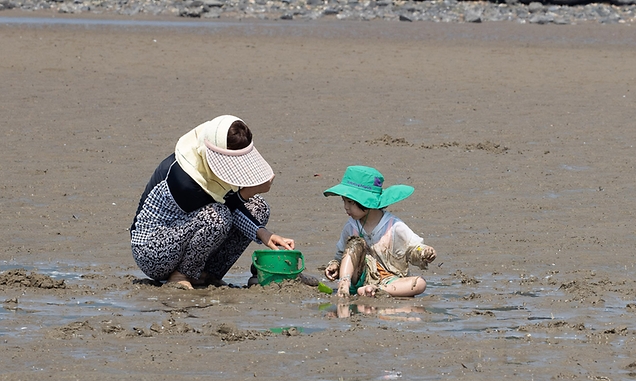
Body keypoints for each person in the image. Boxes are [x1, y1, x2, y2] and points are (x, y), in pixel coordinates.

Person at [130, 115, 294, 289]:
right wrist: (250, 191)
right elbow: (225, 209)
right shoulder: (184, 178)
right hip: (153, 251)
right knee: (217, 217)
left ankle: (207, 275)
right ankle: (182, 275)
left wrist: (263, 233)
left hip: (188, 237)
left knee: (258, 207)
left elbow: (230, 205)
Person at [322, 166, 436, 298]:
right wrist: (335, 266)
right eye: (344, 201)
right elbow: (341, 254)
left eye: (350, 202)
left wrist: (424, 252)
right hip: (359, 277)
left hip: (389, 279)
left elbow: (413, 248)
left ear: (366, 202)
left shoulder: (394, 225)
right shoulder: (351, 226)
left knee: (419, 283)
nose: (346, 207)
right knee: (355, 243)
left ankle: (376, 290)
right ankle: (344, 286)